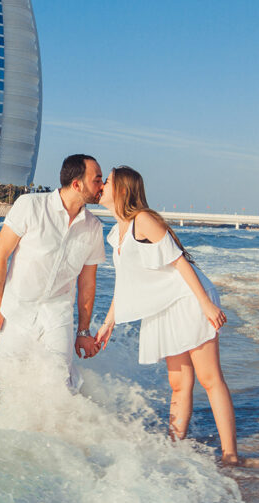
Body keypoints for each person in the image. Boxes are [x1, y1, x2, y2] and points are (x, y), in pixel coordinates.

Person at [95, 166, 240, 465]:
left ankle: (231, 456)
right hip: (163, 307)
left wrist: (205, 304)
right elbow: (125, 284)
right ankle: (176, 451)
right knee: (179, 383)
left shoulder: (143, 220)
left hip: (189, 300)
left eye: (106, 181)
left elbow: (179, 261)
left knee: (210, 379)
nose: (101, 185)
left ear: (121, 190)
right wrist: (109, 322)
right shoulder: (115, 233)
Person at [0, 154, 107, 391]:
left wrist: (83, 331)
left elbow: (87, 283)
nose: (102, 186)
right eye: (97, 179)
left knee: (60, 385)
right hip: (16, 312)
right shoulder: (30, 206)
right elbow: (0, 255)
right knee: (11, 385)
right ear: (77, 184)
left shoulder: (93, 227)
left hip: (58, 316)